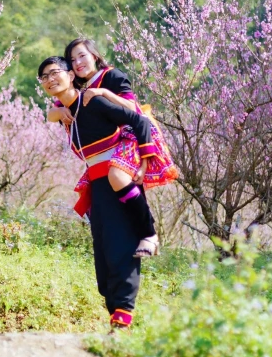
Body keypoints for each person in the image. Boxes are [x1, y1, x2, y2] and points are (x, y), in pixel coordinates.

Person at [38, 56, 154, 329]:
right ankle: (116, 316)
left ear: (69, 74)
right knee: (102, 253)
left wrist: (145, 160)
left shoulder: (94, 102)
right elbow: (52, 113)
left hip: (119, 179)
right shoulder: (67, 113)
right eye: (44, 77)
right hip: (97, 186)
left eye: (55, 73)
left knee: (121, 244)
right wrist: (53, 112)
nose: (50, 79)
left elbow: (140, 121)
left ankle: (123, 312)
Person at [47, 38, 178, 257]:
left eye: (82, 56)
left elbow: (133, 109)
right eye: (73, 60)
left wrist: (103, 93)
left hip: (133, 134)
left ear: (94, 56)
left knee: (117, 176)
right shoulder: (78, 88)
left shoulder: (111, 76)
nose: (78, 63)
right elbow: (52, 113)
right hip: (111, 145)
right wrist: (59, 113)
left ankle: (149, 234)